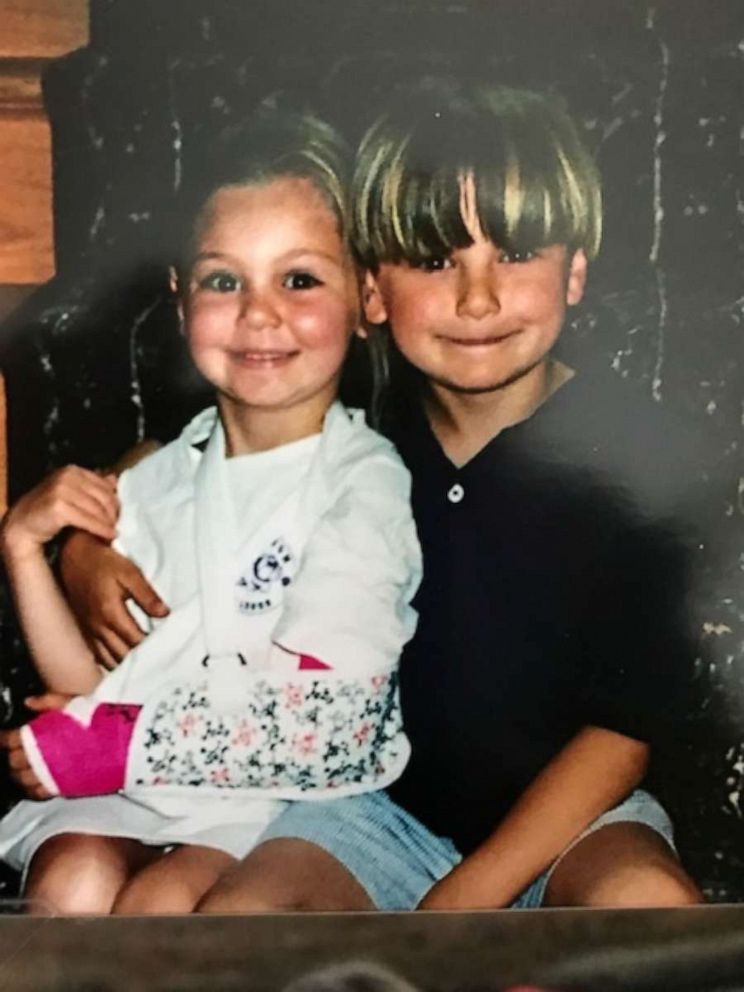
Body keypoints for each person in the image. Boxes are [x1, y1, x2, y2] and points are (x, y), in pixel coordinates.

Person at [22, 80, 703, 911]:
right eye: (434, 260)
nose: (478, 298)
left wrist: (458, 907)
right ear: (374, 295)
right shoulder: (366, 422)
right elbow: (194, 448)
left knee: (648, 909)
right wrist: (88, 547)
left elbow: (624, 735)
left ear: (576, 275)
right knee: (242, 919)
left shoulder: (641, 459)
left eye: (516, 254)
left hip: (575, 820)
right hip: (373, 815)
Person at [0, 106, 420, 915]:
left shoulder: (360, 483)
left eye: (299, 279)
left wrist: (106, 745)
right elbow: (94, 683)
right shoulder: (164, 474)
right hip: (136, 788)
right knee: (72, 883)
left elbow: (319, 731)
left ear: (366, 294)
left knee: (161, 909)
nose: (260, 314)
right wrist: (24, 547)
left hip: (267, 804)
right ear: (180, 295)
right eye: (224, 280)